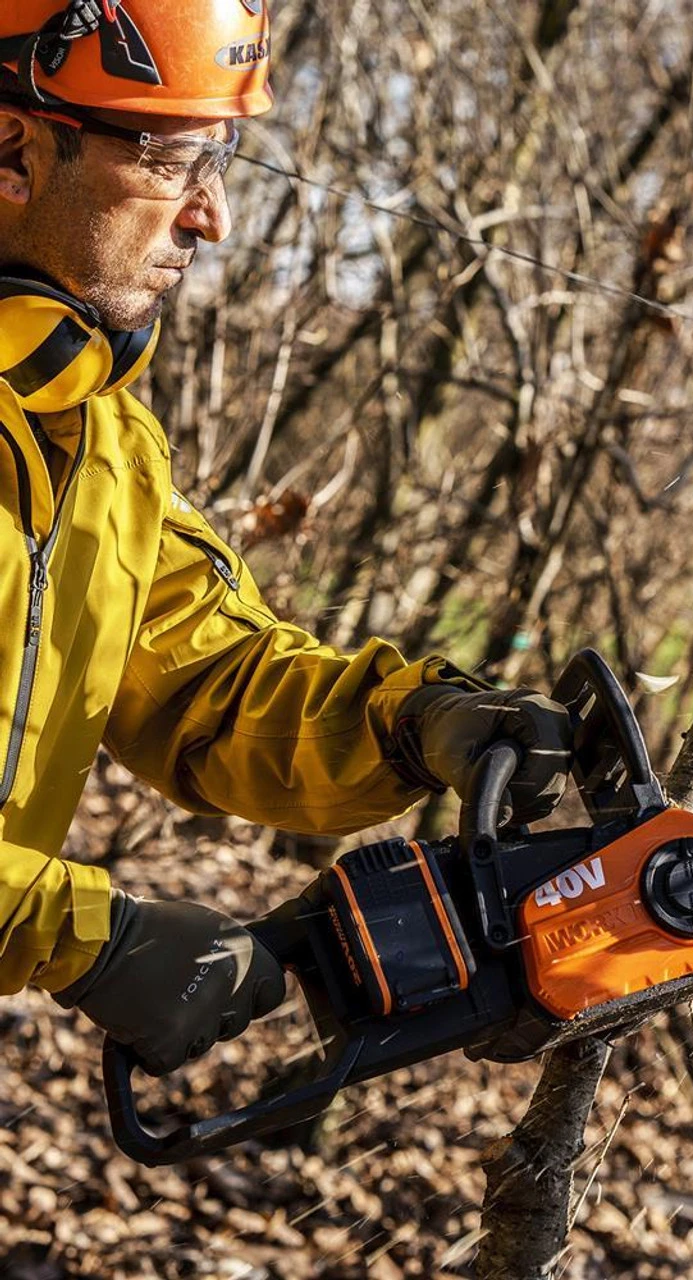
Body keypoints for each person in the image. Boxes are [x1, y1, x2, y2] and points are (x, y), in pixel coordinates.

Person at [0, 1, 573, 1078]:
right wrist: (72, 934)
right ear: (14, 150)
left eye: (220, 160)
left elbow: (204, 682)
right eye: (174, 161)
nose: (212, 217)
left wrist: (409, 723)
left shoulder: (94, 436)